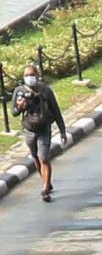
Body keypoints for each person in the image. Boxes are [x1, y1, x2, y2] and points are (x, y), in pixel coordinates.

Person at [13, 62, 67, 202]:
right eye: (26, 75)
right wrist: (20, 107)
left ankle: (44, 189)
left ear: (37, 76)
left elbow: (55, 110)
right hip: (28, 130)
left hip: (44, 129)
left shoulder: (45, 90)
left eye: (32, 75)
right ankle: (46, 181)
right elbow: (13, 112)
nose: (29, 77)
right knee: (35, 157)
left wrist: (62, 131)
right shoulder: (19, 91)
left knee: (44, 157)